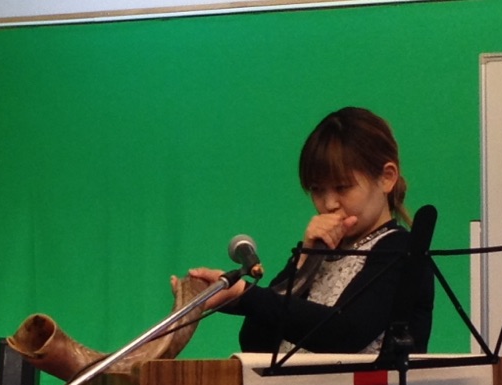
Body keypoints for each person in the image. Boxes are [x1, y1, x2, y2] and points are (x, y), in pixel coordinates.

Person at [184, 106, 434, 355]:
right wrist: (303, 263)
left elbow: (345, 333)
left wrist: (244, 294)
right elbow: (255, 343)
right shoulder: (318, 251)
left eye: (342, 187)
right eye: (317, 190)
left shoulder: (402, 250)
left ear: (387, 178)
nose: (329, 204)